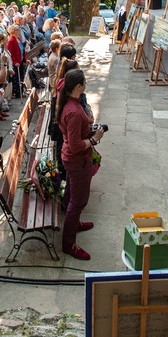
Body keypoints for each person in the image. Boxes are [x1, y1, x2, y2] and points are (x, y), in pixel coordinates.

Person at [57, 69, 104, 260]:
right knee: (78, 202)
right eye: (84, 81)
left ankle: (74, 224)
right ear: (78, 86)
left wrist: (89, 129)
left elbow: (72, 134)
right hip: (77, 161)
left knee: (70, 194)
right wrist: (94, 139)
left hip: (70, 158)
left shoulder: (68, 104)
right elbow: (76, 145)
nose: (86, 83)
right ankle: (69, 244)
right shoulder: (75, 112)